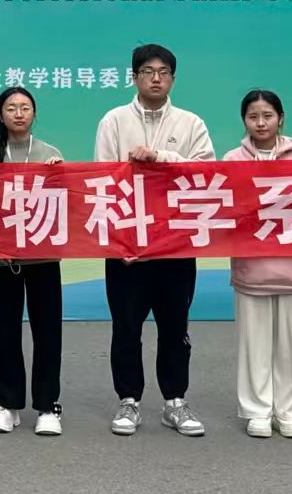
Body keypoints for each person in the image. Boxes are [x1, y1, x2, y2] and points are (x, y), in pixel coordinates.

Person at [92, 42, 215, 438]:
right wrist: (120, 242)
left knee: (175, 327)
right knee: (126, 328)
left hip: (176, 246)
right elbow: (104, 180)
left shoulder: (191, 123)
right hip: (128, 248)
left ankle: (175, 401)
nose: (156, 79)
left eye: (163, 72)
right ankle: (128, 400)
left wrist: (161, 157)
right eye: (147, 72)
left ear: (173, 79)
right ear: (134, 77)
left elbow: (206, 173)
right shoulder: (113, 121)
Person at [223, 89, 292, 439]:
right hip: (252, 265)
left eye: (268, 116)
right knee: (254, 343)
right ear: (244, 121)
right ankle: (257, 410)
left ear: (281, 118)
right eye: (253, 117)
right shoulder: (232, 159)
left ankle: (290, 412)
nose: (261, 123)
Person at [0, 87, 67, 437]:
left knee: (48, 333)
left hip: (43, 259)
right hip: (2, 261)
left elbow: (65, 204)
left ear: (34, 114)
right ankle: (7, 403)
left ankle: (48, 405)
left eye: (25, 108)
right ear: (0, 116)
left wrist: (60, 176)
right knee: (5, 332)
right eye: (11, 108)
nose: (18, 113)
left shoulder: (50, 154)